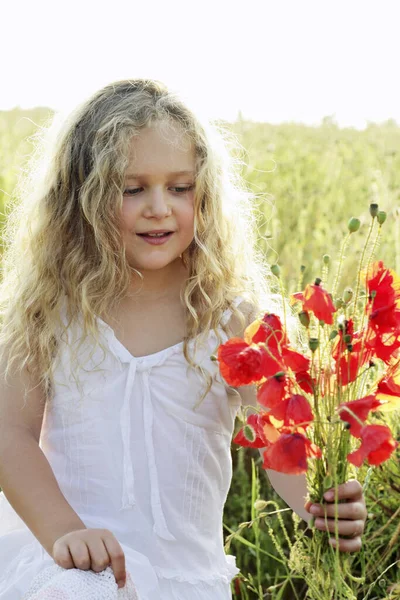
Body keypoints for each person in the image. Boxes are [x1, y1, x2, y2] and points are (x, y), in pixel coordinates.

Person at [0, 78, 367, 600]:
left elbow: (279, 436)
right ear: (80, 196)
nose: (159, 207)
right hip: (67, 572)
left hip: (184, 582)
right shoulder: (47, 312)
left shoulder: (230, 318)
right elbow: (10, 435)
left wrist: (322, 502)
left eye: (180, 187)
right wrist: (65, 532)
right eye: (132, 188)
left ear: (207, 193)